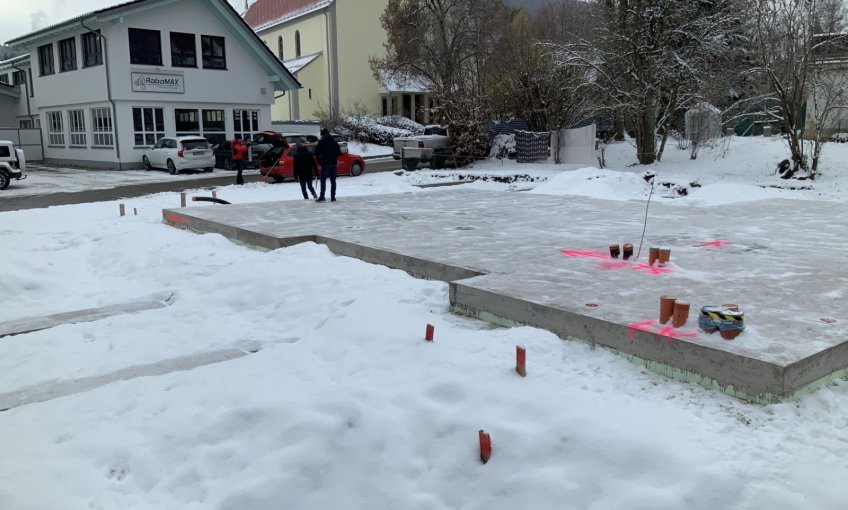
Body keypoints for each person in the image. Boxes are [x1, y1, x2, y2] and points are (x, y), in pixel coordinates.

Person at [314, 128, 341, 202]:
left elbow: (316, 153)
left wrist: (319, 161)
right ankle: (333, 197)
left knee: (323, 181)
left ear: (322, 135)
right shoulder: (335, 142)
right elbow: (339, 153)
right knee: (333, 181)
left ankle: (322, 196)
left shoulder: (321, 142)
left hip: (325, 164)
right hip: (333, 164)